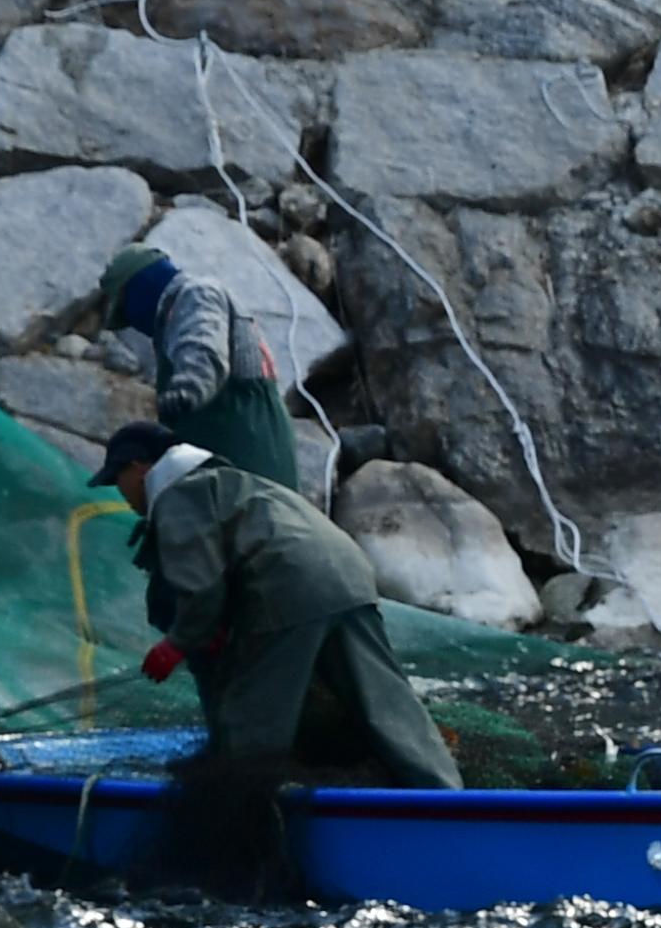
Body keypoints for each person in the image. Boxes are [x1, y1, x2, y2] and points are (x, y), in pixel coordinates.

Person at [102, 421, 460, 790]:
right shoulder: (229, 480)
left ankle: (241, 808)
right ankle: (447, 796)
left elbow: (201, 587)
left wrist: (175, 644)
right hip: (348, 575)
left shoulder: (179, 494)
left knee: (250, 719)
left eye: (119, 480)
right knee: (386, 703)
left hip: (286, 585)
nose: (123, 494)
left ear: (139, 468)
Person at [96, 242, 302, 490]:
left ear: (139, 288)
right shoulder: (172, 323)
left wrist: (186, 391)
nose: (132, 322)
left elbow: (205, 351)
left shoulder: (196, 295)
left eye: (125, 310)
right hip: (237, 472)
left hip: (249, 466)